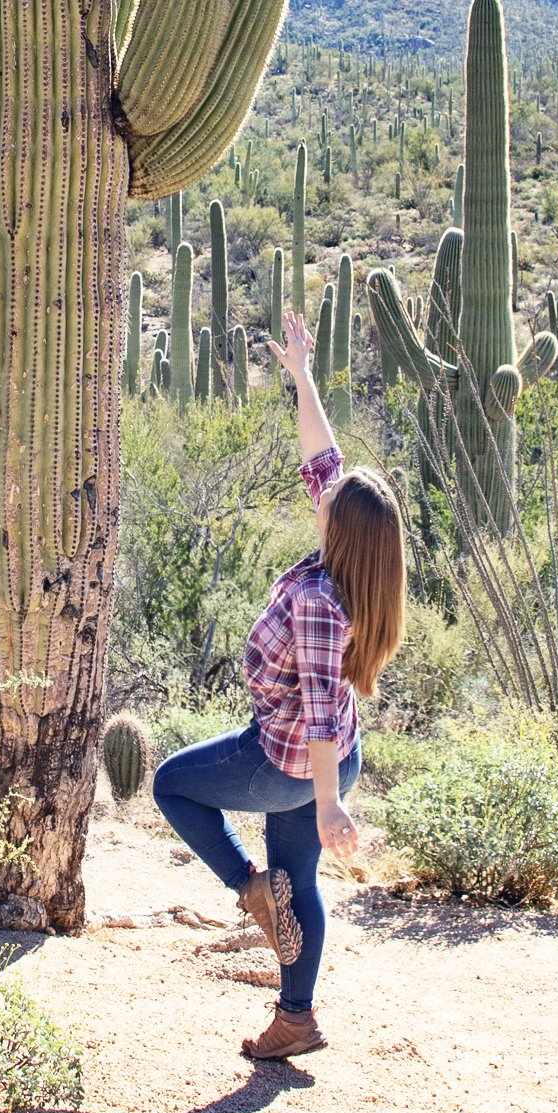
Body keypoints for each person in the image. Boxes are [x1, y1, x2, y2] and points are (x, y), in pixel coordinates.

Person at [150, 307, 408, 1061]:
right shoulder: (351, 568)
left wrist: (329, 804)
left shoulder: (322, 605)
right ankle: (296, 1021)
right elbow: (324, 459)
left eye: (332, 503)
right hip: (321, 754)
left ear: (343, 531)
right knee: (299, 879)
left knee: (172, 785)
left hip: (292, 760)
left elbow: (323, 713)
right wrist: (300, 376)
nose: (321, 495)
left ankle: (247, 889)